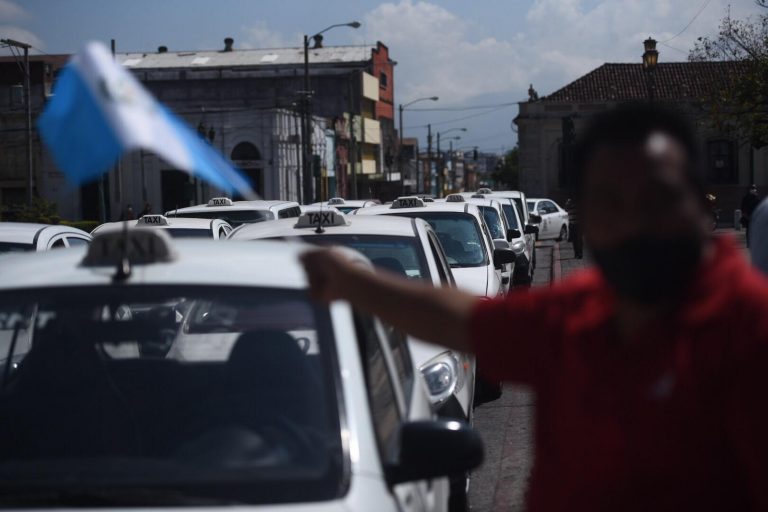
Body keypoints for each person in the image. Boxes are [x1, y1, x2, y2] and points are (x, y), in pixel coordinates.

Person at [301, 104, 768, 511]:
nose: (634, 223)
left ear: (696, 198)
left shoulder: (750, 328)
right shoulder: (579, 316)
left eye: (657, 199)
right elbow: (464, 321)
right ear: (582, 210)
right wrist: (350, 283)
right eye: (609, 203)